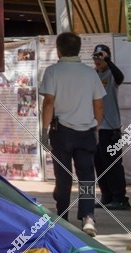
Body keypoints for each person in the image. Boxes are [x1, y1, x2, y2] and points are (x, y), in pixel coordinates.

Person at [39, 32, 105, 237]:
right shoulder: (90, 73)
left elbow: (49, 102)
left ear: (58, 50)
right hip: (86, 131)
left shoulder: (53, 72)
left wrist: (44, 129)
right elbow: (99, 104)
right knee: (87, 176)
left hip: (62, 132)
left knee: (63, 175)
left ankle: (62, 216)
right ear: (79, 49)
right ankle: (88, 217)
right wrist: (96, 126)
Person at [92, 44, 129, 210]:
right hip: (95, 128)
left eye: (101, 56)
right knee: (99, 163)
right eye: (96, 56)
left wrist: (108, 60)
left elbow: (120, 77)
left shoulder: (112, 74)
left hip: (110, 128)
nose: (98, 60)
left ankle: (120, 198)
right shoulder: (93, 75)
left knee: (113, 164)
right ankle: (106, 196)